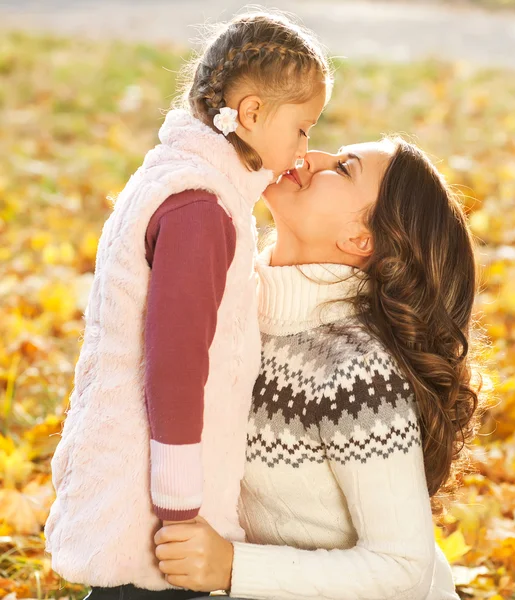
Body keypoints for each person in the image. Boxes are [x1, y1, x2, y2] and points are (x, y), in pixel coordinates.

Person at [44, 11, 331, 599]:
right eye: (302, 128)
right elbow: (176, 359)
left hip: (147, 471)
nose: (305, 150)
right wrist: (179, 505)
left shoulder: (186, 180)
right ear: (251, 114)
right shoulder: (201, 209)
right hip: (156, 493)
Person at [154, 138, 484, 599]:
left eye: (344, 168)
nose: (311, 156)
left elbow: (403, 566)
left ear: (360, 239)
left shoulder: (358, 374)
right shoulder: (234, 306)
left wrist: (233, 568)